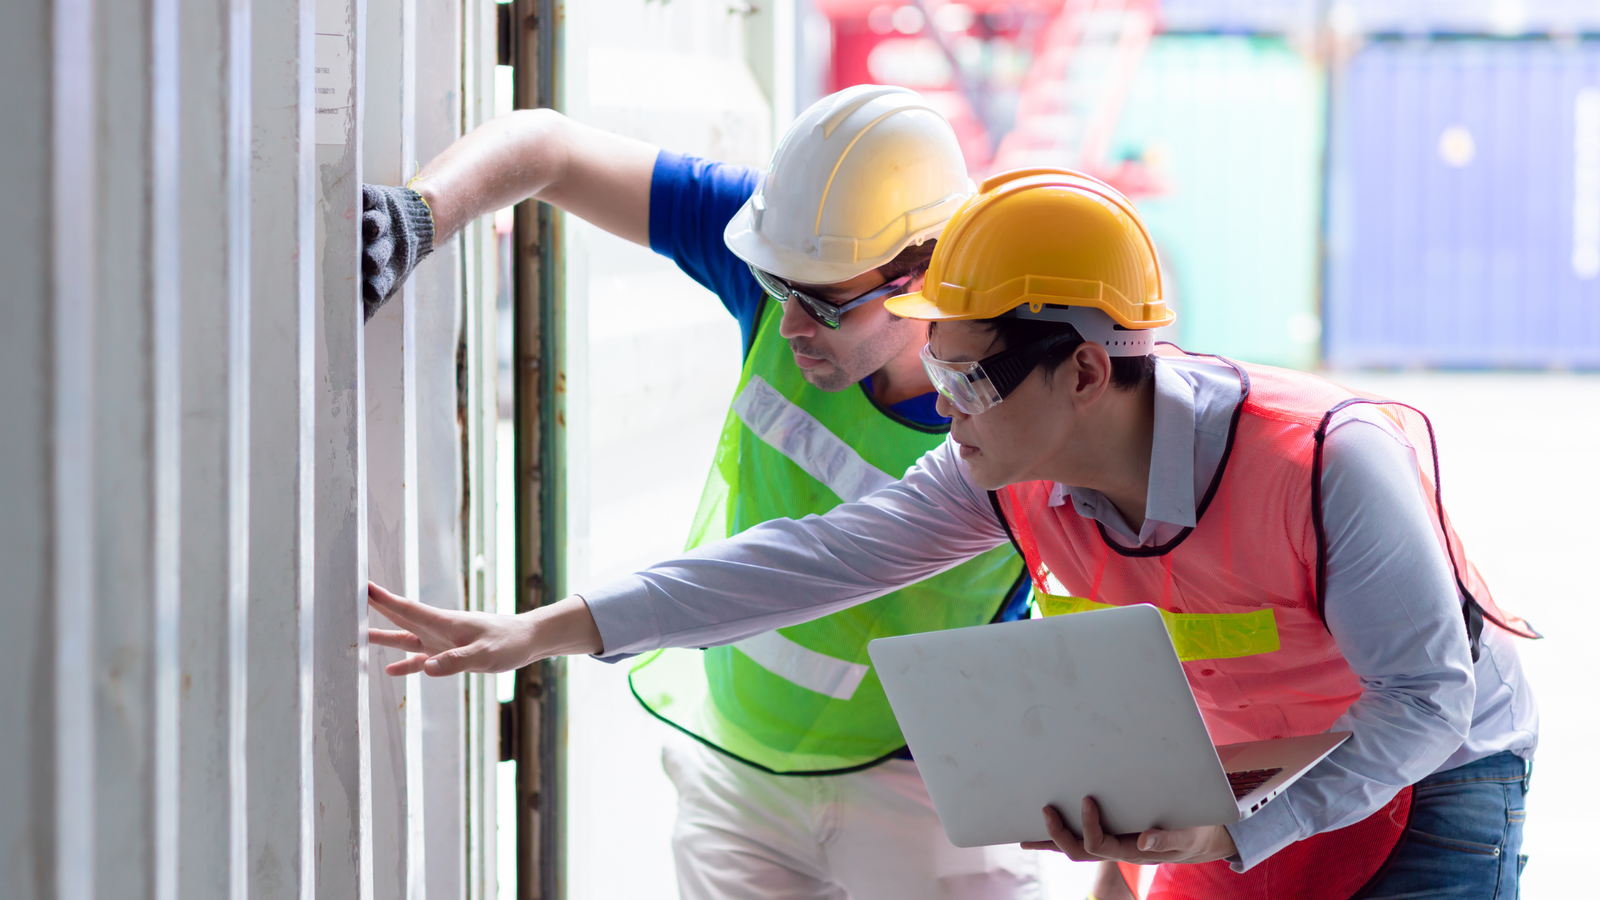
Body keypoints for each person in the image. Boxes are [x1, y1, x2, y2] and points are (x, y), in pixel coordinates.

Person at [369, 167, 1543, 899]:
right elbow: (814, 559)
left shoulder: (1330, 461)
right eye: (937, 364)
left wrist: (1239, 838)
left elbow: (1424, 706)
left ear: (1085, 369)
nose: (943, 404)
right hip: (1243, 764)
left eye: (969, 379)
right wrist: (551, 629)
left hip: (1434, 770)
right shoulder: (1003, 470)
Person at [359, 86, 1043, 899]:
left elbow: (816, 564)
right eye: (776, 287)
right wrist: (417, 218)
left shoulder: (1021, 417)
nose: (788, 325)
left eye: (821, 304)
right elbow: (550, 148)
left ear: (923, 274)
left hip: (928, 783)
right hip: (737, 764)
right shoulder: (797, 251)